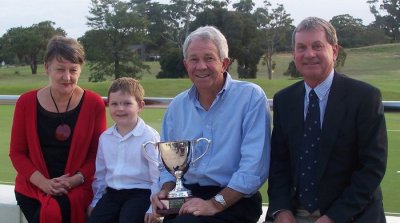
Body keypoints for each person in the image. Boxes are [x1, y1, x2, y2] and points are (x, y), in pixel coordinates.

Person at [266, 17, 388, 223]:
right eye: (301, 47)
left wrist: (333, 217)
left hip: (349, 214)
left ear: (334, 50)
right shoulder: (284, 100)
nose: (309, 54)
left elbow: (372, 167)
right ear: (294, 54)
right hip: (296, 213)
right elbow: (279, 162)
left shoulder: (364, 97)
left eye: (317, 46)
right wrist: (281, 208)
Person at [151, 26, 271, 223]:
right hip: (187, 196)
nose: (201, 66)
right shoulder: (177, 106)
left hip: (234, 199)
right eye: (194, 59)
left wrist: (215, 204)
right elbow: (167, 166)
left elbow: (254, 168)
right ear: (185, 64)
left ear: (224, 63)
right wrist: (165, 192)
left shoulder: (250, 98)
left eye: (209, 58)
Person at [9, 36, 107, 223]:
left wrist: (74, 180)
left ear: (80, 69)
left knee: (52, 212)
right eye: (60, 69)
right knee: (49, 212)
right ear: (47, 68)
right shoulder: (26, 103)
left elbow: (98, 154)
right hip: (33, 187)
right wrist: (44, 184)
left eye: (73, 70)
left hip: (78, 186)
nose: (67, 77)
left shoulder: (94, 103)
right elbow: (17, 154)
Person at [87, 77, 160, 223]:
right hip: (112, 193)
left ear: (140, 105)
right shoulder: (105, 138)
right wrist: (95, 202)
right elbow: (101, 175)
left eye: (127, 103)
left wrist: (153, 207)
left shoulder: (149, 137)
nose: (120, 108)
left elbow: (157, 175)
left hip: (141, 193)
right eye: (114, 104)